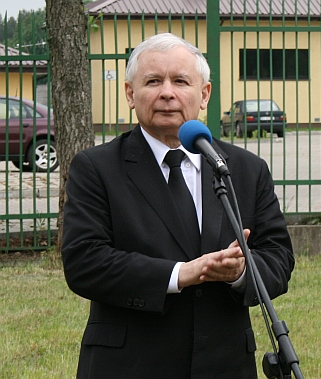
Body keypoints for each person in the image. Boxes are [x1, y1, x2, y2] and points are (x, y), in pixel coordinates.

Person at [61, 33, 294, 379]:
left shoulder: (244, 169)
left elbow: (279, 257)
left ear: (204, 95)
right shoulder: (96, 168)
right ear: (130, 94)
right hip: (129, 365)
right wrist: (178, 274)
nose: (167, 92)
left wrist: (241, 272)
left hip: (224, 365)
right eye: (153, 81)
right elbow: (85, 262)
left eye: (181, 81)